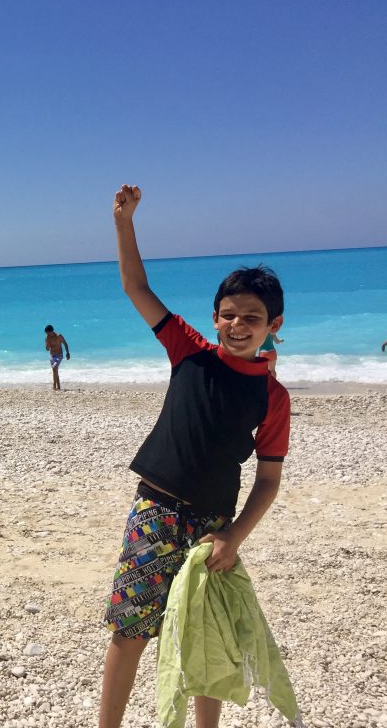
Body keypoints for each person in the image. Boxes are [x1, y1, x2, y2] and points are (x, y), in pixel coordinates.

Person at [99, 185, 290, 728]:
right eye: (229, 314)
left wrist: (234, 536)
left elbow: (269, 480)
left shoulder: (273, 397)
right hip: (154, 512)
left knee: (206, 639)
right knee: (130, 631)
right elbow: (136, 286)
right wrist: (124, 222)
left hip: (212, 527)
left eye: (252, 317)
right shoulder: (188, 351)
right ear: (214, 318)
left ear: (273, 326)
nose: (238, 324)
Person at [43, 324, 70, 390]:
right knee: (55, 371)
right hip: (52, 356)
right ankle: (59, 387)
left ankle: (54, 385)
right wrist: (47, 343)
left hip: (59, 355)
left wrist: (67, 353)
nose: (47, 334)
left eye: (48, 333)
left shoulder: (59, 336)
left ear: (51, 331)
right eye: (46, 333)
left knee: (55, 368)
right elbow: (47, 349)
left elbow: (65, 344)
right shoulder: (47, 338)